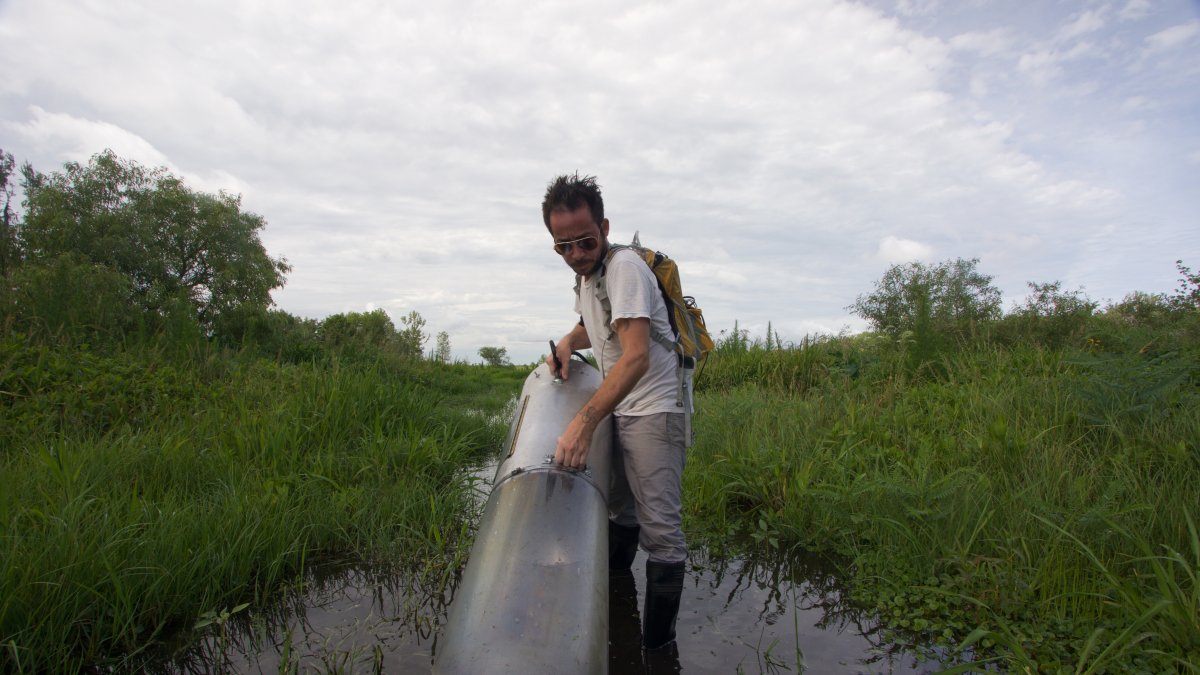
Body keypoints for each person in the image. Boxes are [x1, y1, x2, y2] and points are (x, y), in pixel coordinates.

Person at [542, 172, 688, 651]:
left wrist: (583, 423)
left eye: (585, 241)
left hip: (654, 410)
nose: (576, 253)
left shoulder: (623, 268)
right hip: (622, 407)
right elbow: (597, 325)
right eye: (563, 246)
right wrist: (569, 341)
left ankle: (657, 650)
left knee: (661, 535)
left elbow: (636, 354)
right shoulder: (588, 278)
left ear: (604, 228)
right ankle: (618, 607)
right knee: (621, 512)